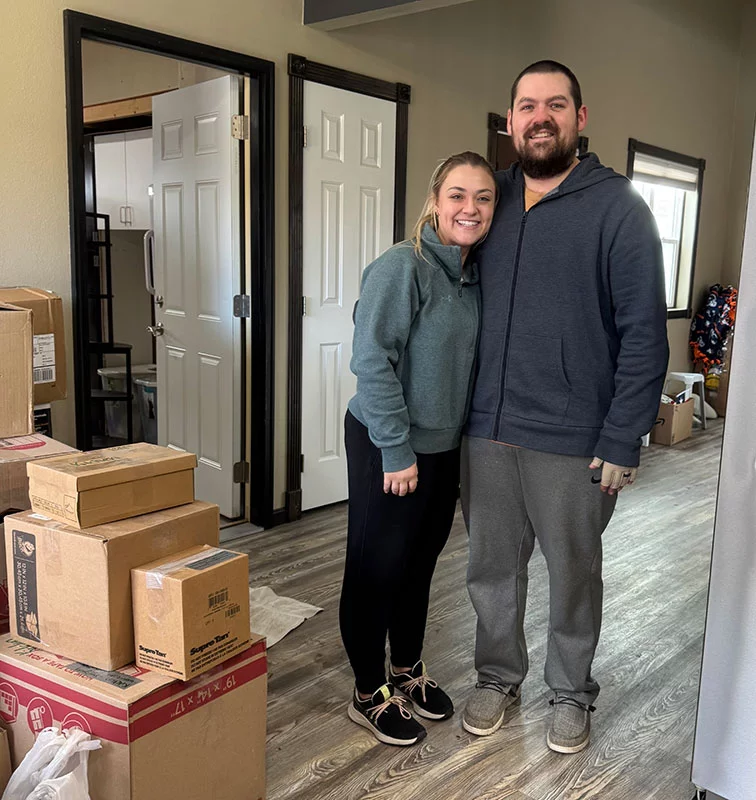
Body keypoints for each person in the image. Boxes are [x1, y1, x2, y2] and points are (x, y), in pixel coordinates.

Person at [460, 61, 669, 754]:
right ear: (510, 120)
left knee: (574, 570)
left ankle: (571, 690)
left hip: (575, 437)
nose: (539, 117)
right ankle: (497, 676)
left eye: (555, 104)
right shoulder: (491, 199)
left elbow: (644, 334)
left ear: (580, 118)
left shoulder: (620, 208)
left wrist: (623, 437)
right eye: (527, 105)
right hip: (486, 429)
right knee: (490, 568)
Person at [340, 151, 496, 746]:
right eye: (458, 195)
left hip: (442, 448)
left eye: (483, 198)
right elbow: (371, 362)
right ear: (435, 201)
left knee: (419, 564)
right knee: (376, 566)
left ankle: (405, 669)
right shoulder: (400, 268)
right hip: (388, 442)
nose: (470, 208)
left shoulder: (473, 277)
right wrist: (396, 450)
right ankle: (367, 691)